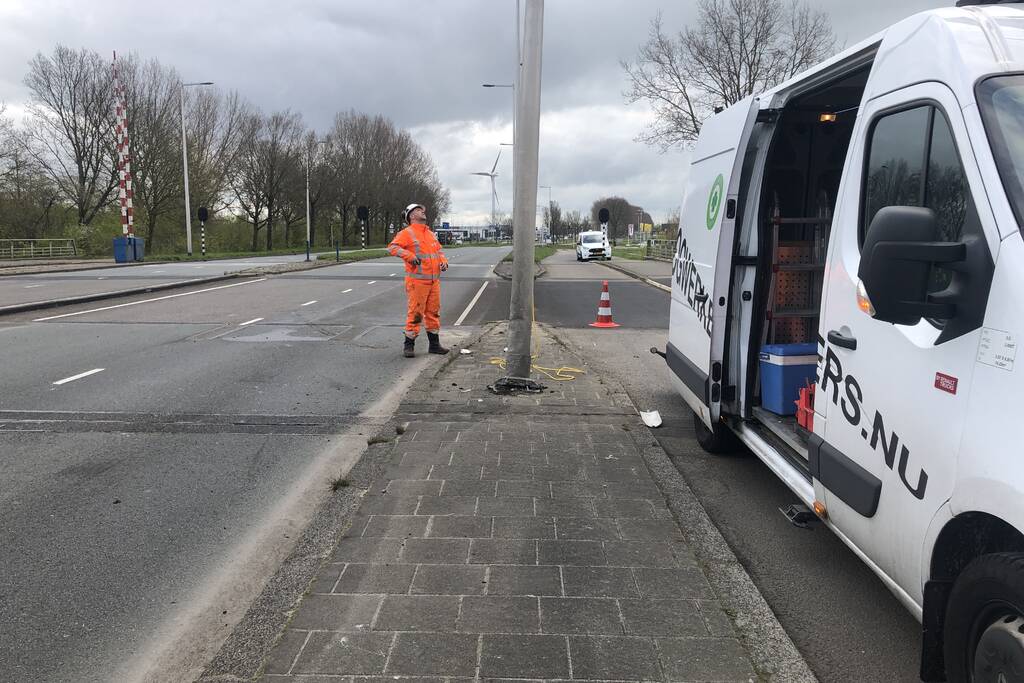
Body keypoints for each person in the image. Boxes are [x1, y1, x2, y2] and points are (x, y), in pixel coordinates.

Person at [388, 203, 449, 358]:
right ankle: (409, 345)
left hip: (434, 281)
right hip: (418, 282)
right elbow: (393, 247)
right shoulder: (407, 233)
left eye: (422, 209)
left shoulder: (429, 233)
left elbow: (439, 250)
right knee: (416, 313)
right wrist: (409, 256)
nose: (422, 211)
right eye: (418, 210)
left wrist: (443, 261)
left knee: (433, 313)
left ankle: (434, 345)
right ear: (411, 216)